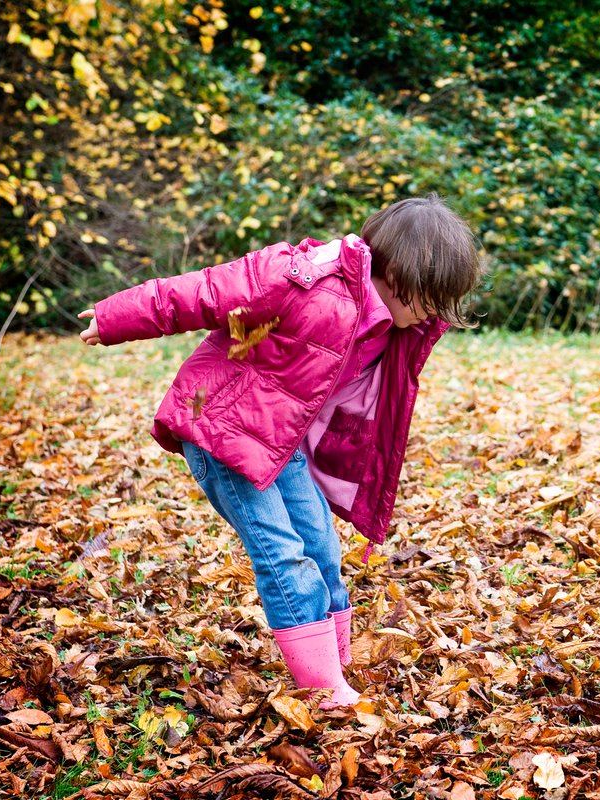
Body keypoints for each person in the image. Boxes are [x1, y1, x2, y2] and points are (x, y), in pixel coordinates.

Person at [78, 195, 483, 708]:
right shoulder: (303, 277)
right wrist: (116, 317)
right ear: (402, 275)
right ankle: (323, 689)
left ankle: (331, 659)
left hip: (277, 444)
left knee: (321, 544)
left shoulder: (394, 325)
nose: (434, 313)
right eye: (432, 298)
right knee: (283, 554)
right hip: (220, 431)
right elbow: (203, 291)